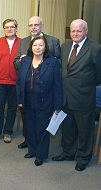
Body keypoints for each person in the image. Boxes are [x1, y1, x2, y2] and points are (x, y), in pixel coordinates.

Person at [52, 19, 101, 171]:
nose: (75, 33)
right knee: (67, 127)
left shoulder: (95, 48)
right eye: (73, 31)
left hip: (84, 96)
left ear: (86, 31)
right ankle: (68, 152)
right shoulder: (65, 46)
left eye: (79, 31)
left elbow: (99, 75)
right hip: (66, 95)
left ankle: (83, 157)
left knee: (84, 130)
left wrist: (84, 85)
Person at [14, 16, 61, 149]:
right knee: (29, 124)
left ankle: (40, 152)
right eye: (30, 25)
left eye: (36, 25)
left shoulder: (53, 48)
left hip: (44, 97)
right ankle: (30, 146)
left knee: (41, 127)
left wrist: (57, 103)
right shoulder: (24, 47)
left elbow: (58, 74)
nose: (33, 27)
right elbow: (17, 67)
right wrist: (22, 61)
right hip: (28, 97)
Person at [16, 36, 63, 166]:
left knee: (42, 129)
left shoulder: (52, 62)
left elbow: (57, 85)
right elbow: (19, 82)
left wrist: (57, 105)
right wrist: (19, 99)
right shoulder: (25, 61)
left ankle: (40, 155)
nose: (37, 47)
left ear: (45, 47)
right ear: (31, 47)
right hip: (28, 101)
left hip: (45, 101)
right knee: (30, 128)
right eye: (35, 45)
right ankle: (32, 150)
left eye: (40, 45)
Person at [0, 19, 21, 143]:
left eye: (12, 27)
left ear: (16, 28)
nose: (9, 29)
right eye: (7, 27)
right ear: (4, 29)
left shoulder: (22, 43)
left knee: (12, 108)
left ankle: (8, 132)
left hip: (15, 82)